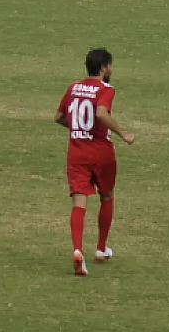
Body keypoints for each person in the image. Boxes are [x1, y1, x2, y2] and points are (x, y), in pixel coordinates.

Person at [56, 48, 135, 277]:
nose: (111, 69)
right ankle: (101, 249)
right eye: (110, 65)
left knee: (78, 203)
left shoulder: (73, 88)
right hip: (100, 152)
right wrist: (123, 134)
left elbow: (59, 117)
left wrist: (78, 128)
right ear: (103, 68)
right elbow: (101, 113)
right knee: (107, 196)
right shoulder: (106, 89)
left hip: (76, 153)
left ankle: (78, 250)